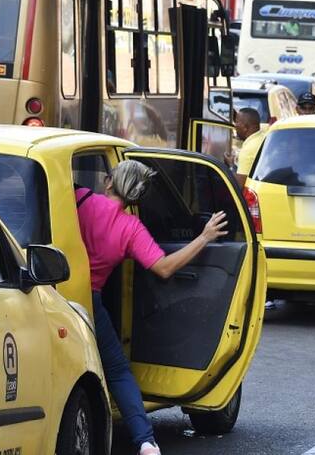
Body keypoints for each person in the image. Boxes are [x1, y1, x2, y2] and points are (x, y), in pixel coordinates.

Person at [75, 161, 228, 455]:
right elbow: (165, 268)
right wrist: (204, 237)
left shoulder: (79, 199)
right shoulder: (131, 228)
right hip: (89, 302)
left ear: (108, 182)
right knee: (118, 371)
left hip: (53, 292)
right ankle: (145, 441)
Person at [224, 107, 264, 188]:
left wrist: (231, 166)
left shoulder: (248, 150)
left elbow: (239, 186)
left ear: (245, 128)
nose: (235, 126)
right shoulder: (263, 136)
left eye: (237, 122)